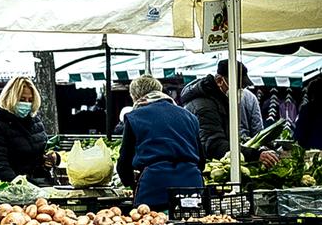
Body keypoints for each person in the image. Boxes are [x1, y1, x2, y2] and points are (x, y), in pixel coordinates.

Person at [115, 75, 204, 210]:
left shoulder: (135, 117)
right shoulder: (189, 117)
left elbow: (124, 163)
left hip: (154, 187)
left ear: (135, 96)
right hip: (191, 186)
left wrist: (131, 183)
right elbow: (201, 160)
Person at [181, 60, 279, 167]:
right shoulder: (205, 107)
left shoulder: (219, 100)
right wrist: (255, 155)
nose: (241, 91)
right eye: (237, 86)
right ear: (219, 81)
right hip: (202, 166)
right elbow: (214, 145)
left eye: (243, 87)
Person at [0, 77, 59, 184]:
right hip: (7, 188)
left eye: (30, 100)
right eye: (22, 99)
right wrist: (23, 185)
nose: (26, 103)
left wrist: (50, 158)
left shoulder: (34, 121)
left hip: (37, 184)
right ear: (10, 98)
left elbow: (38, 152)